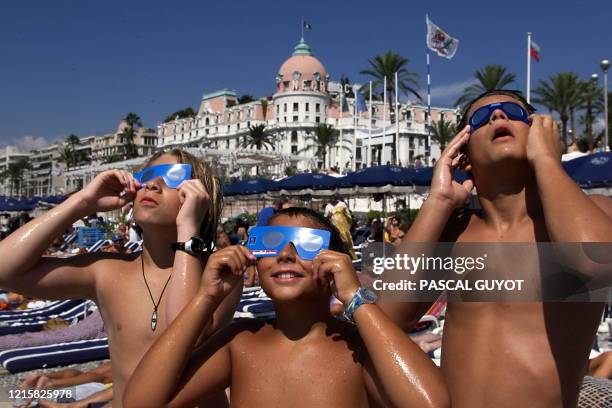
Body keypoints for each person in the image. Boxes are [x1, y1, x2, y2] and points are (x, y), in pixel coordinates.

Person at [379, 90, 612, 407]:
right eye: (481, 118)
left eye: (513, 113)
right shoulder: (455, 232)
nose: (498, 116)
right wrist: (439, 201)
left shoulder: (596, 211)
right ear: (464, 154)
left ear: (540, 133)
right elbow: (388, 316)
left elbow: (595, 265)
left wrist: (546, 160)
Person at [124, 207, 449, 408]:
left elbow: (431, 404)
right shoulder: (239, 342)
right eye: (270, 242)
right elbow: (140, 402)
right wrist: (205, 298)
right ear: (255, 260)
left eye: (308, 244)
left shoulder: (357, 346)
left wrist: (355, 298)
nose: (286, 253)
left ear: (336, 263)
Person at [0, 149, 240, 408]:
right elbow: (6, 272)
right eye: (147, 176)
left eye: (172, 177)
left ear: (201, 197)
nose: (151, 184)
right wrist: (83, 202)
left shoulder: (220, 273)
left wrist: (188, 229)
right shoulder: (108, 272)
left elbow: (184, 336)